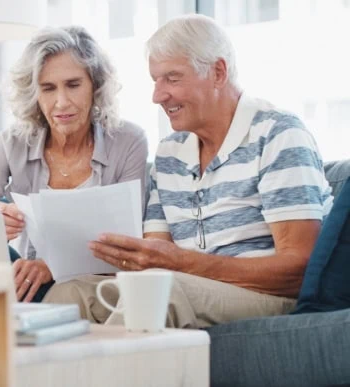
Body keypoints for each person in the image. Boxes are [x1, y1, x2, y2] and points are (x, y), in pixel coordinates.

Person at [44, 14, 333, 328]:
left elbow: (298, 269)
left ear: (218, 72)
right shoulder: (170, 153)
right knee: (69, 294)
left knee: (159, 293)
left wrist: (182, 264)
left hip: (268, 295)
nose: (158, 95)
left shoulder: (278, 134)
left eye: (172, 78)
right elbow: (154, 255)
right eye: (156, 80)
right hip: (187, 287)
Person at [0, 26, 148, 303]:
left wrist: (51, 267)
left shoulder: (128, 141)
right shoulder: (11, 142)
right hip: (27, 287)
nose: (62, 102)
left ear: (94, 85)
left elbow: (128, 243)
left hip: (101, 286)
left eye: (73, 85)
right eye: (48, 88)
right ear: (34, 94)